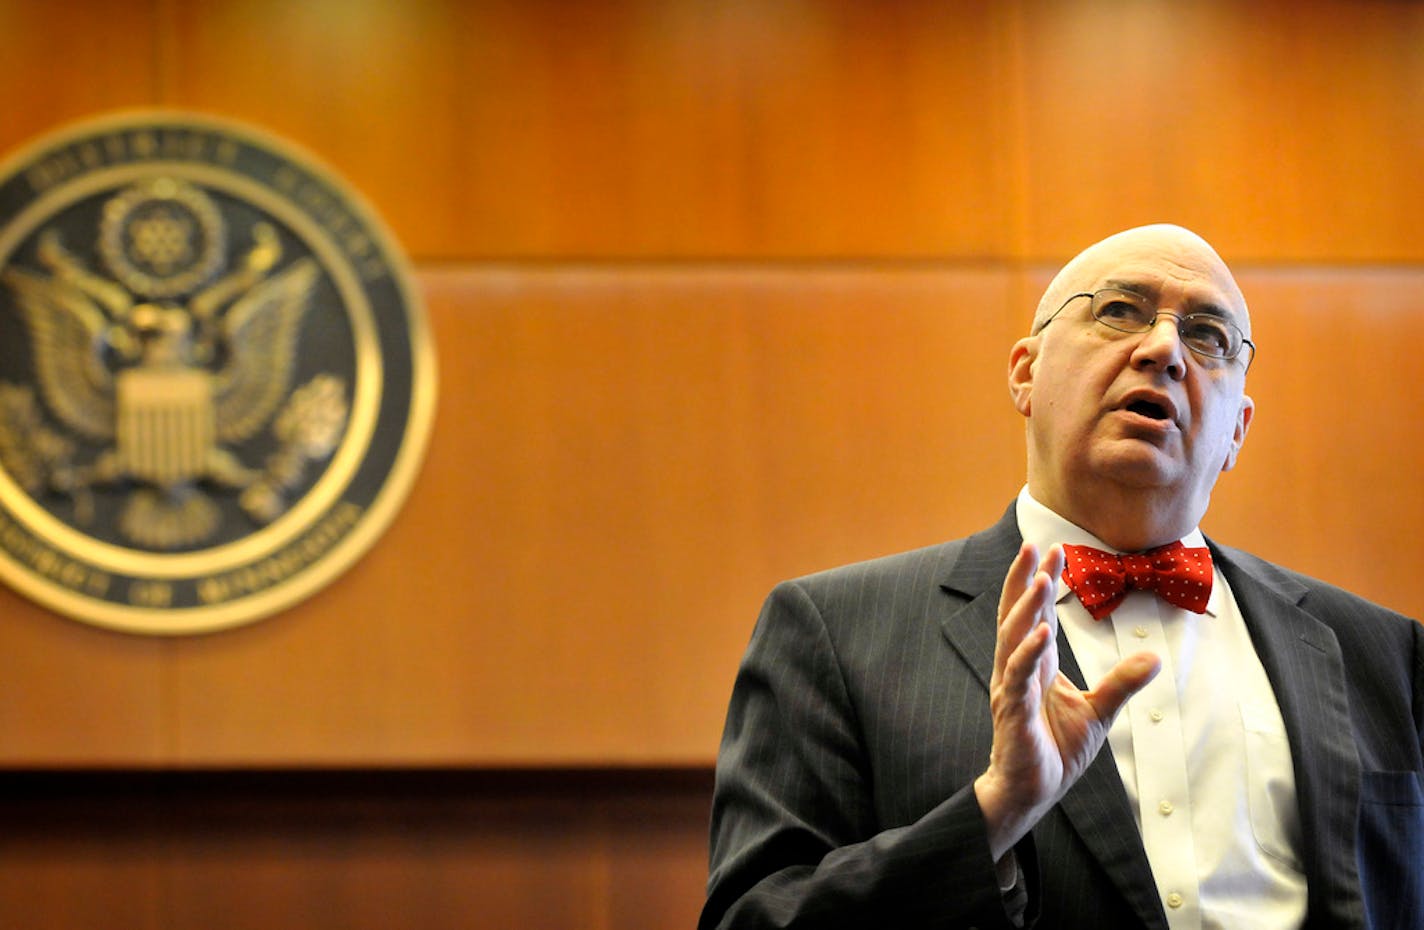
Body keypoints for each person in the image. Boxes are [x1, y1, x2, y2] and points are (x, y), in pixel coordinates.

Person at [699, 225, 1423, 930]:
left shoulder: (1387, 655)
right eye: (1118, 310)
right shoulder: (836, 633)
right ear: (1025, 372)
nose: (1166, 348)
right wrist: (995, 813)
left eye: (1207, 334)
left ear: (1238, 428)